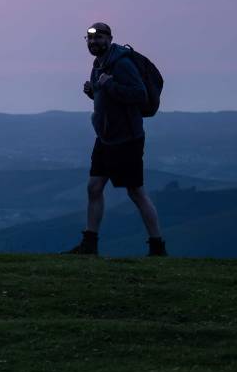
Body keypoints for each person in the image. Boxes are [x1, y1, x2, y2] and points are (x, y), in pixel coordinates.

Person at [64, 23, 167, 256]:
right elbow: (109, 97)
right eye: (90, 40)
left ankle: (157, 246)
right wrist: (94, 91)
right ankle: (90, 243)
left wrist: (108, 84)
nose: (94, 43)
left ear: (110, 39)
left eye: (99, 38)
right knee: (94, 187)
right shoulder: (98, 64)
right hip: (105, 137)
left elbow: (139, 94)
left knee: (136, 192)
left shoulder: (122, 63)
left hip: (127, 139)